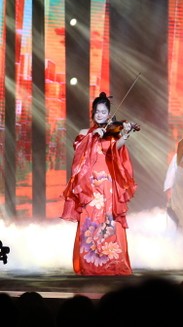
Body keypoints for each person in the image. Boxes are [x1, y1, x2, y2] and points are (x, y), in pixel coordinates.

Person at [61, 92, 137, 276]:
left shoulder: (112, 134)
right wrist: (93, 136)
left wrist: (126, 133)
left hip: (107, 186)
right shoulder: (84, 133)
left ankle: (112, 263)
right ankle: (90, 264)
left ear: (109, 114)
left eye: (104, 112)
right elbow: (79, 152)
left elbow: (116, 149)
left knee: (109, 222)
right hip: (89, 187)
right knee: (90, 222)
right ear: (93, 113)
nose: (100, 115)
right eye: (97, 111)